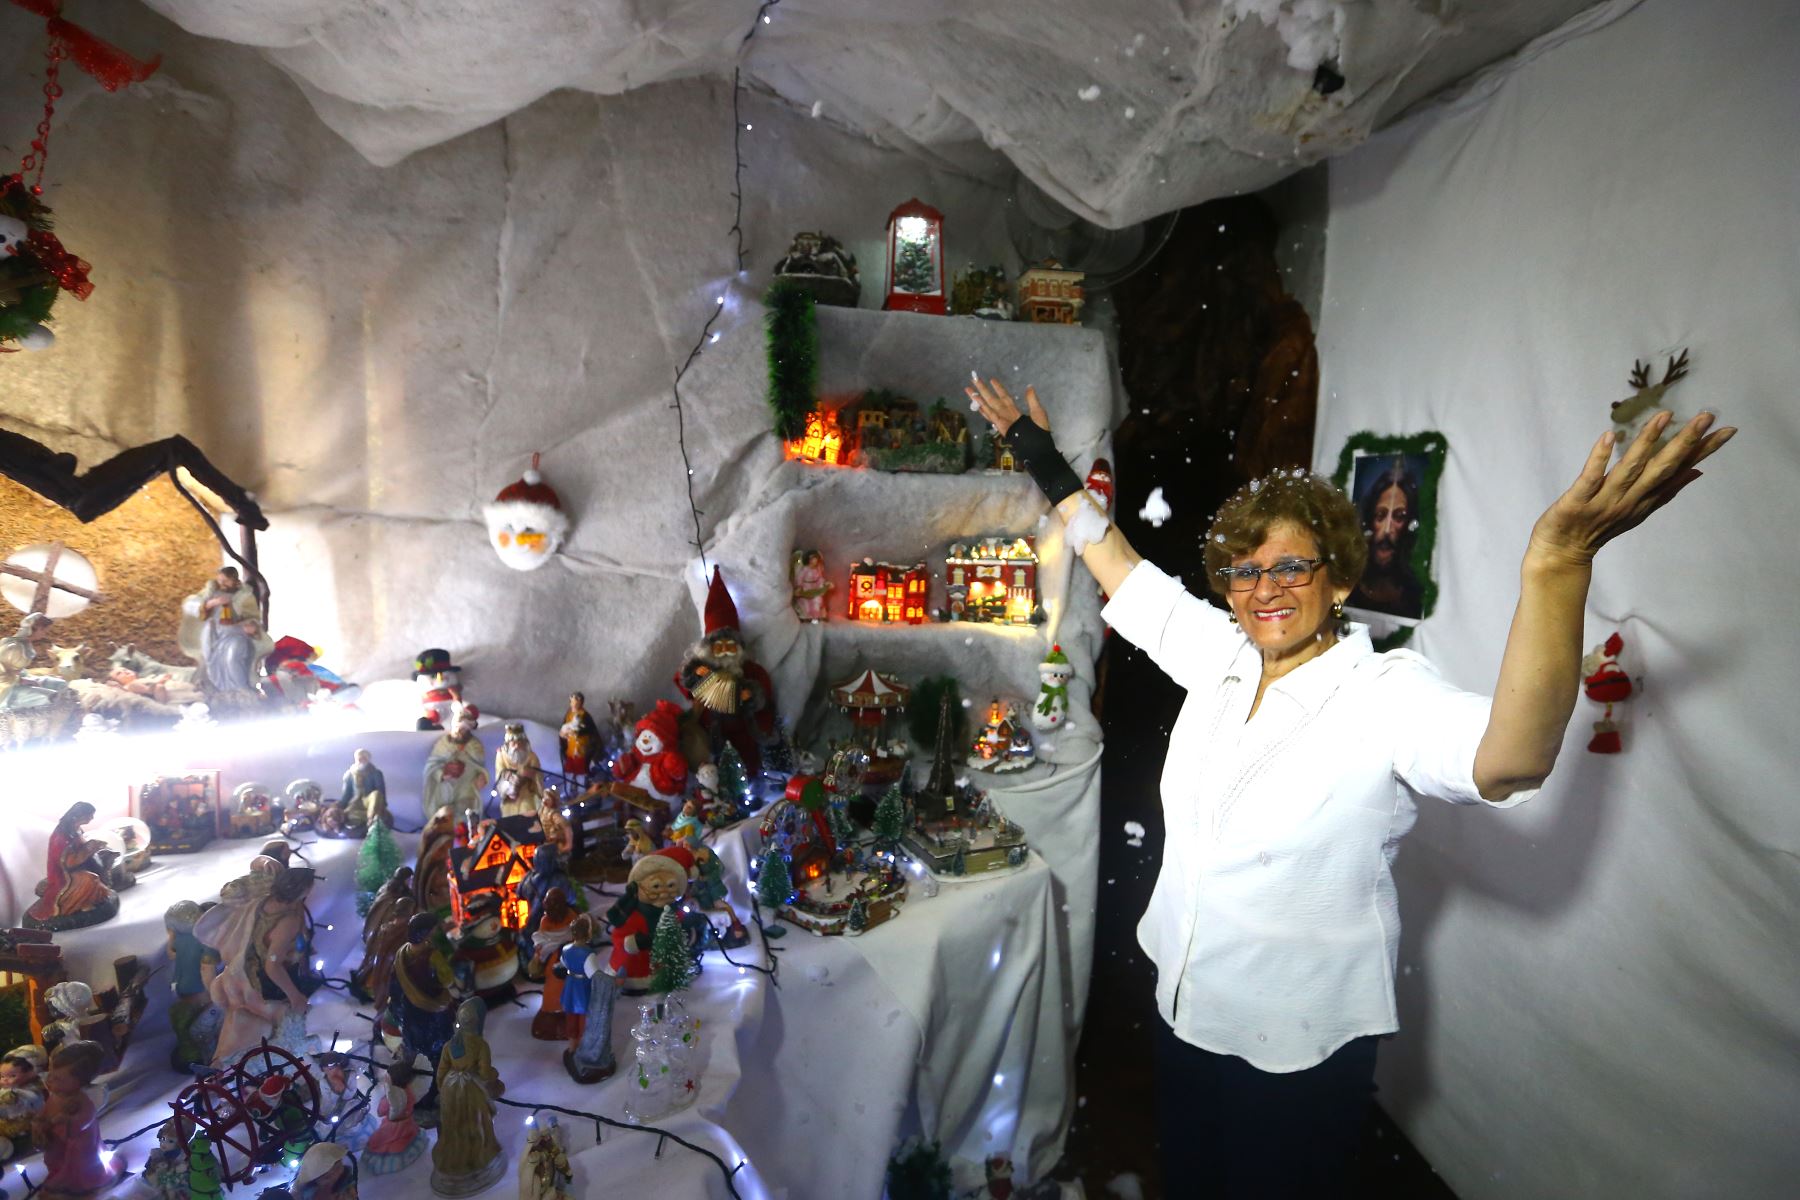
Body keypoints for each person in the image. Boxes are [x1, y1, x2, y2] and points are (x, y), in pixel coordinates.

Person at [967, 375, 1733, 1197]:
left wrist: (1558, 565)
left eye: (1292, 567)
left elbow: (1510, 757)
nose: (1265, 590)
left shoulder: (1387, 695)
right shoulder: (1218, 654)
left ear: (1337, 582)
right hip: (1186, 1008)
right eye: (1244, 571)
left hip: (1298, 1047)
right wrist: (1043, 463)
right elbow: (1116, 563)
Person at [178, 564, 274, 696]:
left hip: (237, 635)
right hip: (214, 636)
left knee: (232, 657)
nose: (222, 584)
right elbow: (190, 605)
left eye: (226, 581)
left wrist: (251, 626)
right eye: (220, 580)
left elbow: (253, 618)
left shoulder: (244, 596)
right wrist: (212, 603)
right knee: (212, 665)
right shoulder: (212, 592)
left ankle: (242, 692)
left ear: (234, 580)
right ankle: (223, 693)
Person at [1348, 457, 1425, 618]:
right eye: (1380, 515)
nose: (1387, 530)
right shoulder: (1348, 588)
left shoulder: (1415, 595)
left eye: (1399, 517)